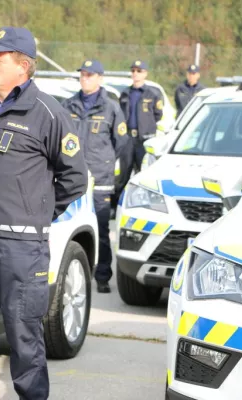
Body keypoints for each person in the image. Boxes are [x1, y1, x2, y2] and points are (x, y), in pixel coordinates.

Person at [0, 26, 88, 400]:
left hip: (21, 249)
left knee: (23, 335)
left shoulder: (48, 113)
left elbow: (75, 178)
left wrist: (36, 214)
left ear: (22, 67)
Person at [61, 59, 129, 293]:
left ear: (100, 78)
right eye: (82, 75)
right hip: (72, 178)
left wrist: (104, 163)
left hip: (99, 179)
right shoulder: (68, 105)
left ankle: (102, 276)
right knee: (69, 229)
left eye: (90, 75)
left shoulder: (111, 108)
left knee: (100, 230)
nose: (85, 79)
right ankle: (71, 273)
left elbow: (121, 143)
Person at [113, 60, 163, 211]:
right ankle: (116, 208)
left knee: (144, 175)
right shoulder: (125, 94)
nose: (135, 73)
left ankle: (145, 207)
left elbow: (157, 115)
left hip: (144, 139)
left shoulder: (153, 94)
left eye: (139, 71)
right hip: (128, 138)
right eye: (133, 70)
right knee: (124, 175)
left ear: (145, 73)